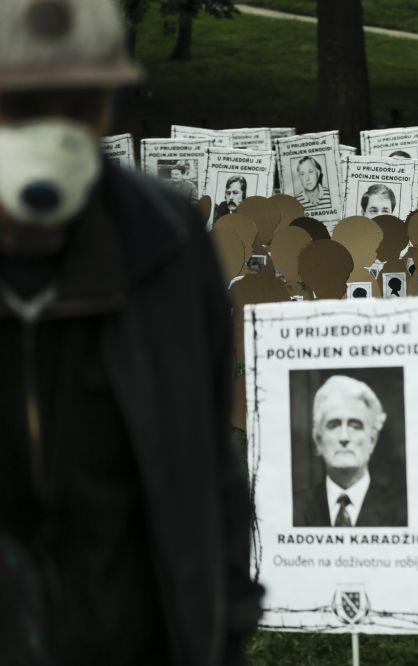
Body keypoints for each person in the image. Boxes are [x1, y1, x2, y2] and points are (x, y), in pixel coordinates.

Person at [0, 1, 262, 662]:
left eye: (78, 104)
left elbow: (209, 460)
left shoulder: (165, 246)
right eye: (24, 108)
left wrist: (222, 628)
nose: (52, 134)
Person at [293, 376, 407, 528]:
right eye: (333, 425)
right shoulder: (293, 510)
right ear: (318, 440)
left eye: (355, 426)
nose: (344, 437)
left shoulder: (402, 511)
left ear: (372, 440)